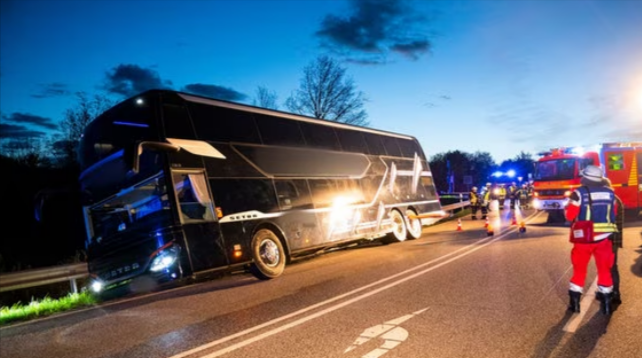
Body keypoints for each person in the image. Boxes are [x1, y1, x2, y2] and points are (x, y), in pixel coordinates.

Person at [564, 165, 618, 315]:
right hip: (604, 238)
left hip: (584, 239)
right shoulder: (610, 193)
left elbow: (570, 215)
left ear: (585, 178)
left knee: (579, 270)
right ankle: (606, 305)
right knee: (604, 270)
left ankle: (574, 304)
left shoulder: (578, 193)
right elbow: (613, 214)